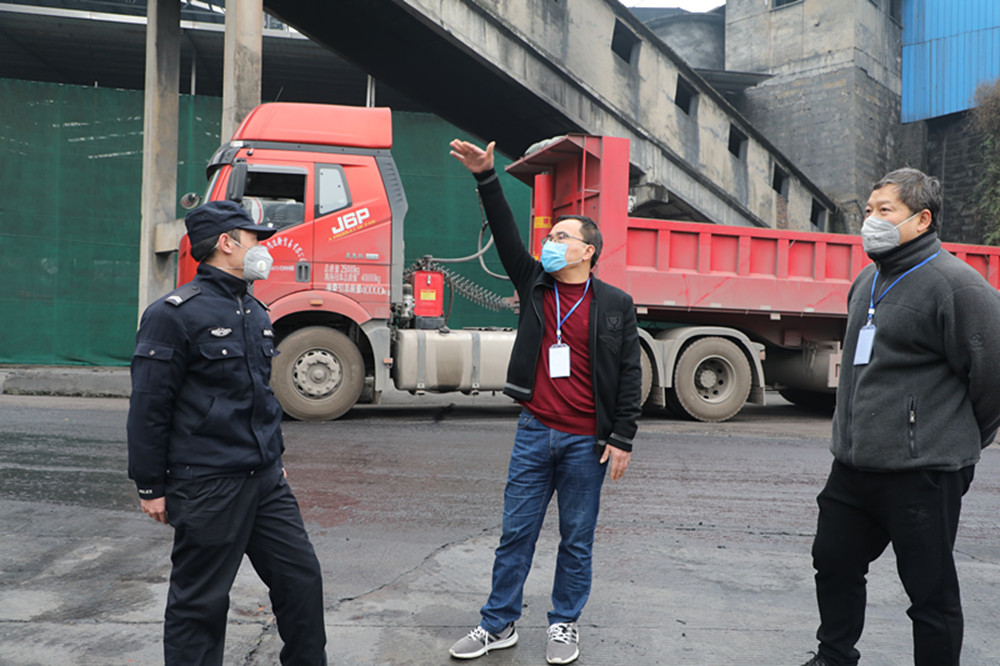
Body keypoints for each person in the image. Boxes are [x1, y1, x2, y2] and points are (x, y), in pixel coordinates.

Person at [447, 139, 642, 665]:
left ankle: (564, 624)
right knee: (516, 534)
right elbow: (507, 233)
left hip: (587, 442)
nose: (550, 243)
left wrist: (623, 437)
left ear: (587, 251)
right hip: (535, 431)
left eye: (561, 237)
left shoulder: (616, 304)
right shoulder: (534, 282)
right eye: (550, 236)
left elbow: (630, 374)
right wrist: (486, 176)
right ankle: (498, 624)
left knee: (576, 539)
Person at [799, 168, 1000, 666]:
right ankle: (833, 657)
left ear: (922, 219)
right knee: (833, 560)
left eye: (885, 210)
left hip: (922, 472)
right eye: (868, 210)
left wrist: (954, 438)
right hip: (853, 467)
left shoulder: (957, 286)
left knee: (929, 591)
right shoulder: (868, 280)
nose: (870, 220)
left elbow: (992, 376)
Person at [127, 200, 327, 666]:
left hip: (265, 481)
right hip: (208, 483)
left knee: (301, 581)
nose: (263, 248)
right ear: (226, 243)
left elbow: (260, 395)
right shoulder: (173, 315)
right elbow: (149, 406)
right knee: (200, 603)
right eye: (255, 238)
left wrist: (274, 458)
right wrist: (150, 485)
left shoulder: (255, 311)